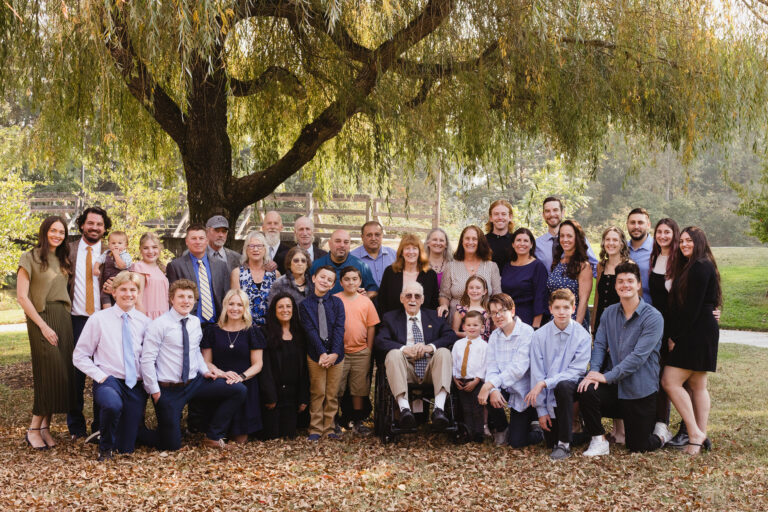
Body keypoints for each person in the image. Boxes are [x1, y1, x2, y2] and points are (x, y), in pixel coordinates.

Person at [577, 261, 672, 456]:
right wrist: (595, 372)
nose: (625, 285)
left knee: (638, 445)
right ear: (615, 286)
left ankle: (662, 434)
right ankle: (598, 440)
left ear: (638, 285)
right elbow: (600, 346)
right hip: (614, 389)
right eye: (620, 281)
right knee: (587, 388)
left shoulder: (653, 317)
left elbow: (637, 358)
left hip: (639, 390)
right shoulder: (609, 313)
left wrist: (606, 377)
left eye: (630, 281)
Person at [140, 279, 247, 450]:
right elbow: (146, 361)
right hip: (168, 389)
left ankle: (214, 436)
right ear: (171, 299)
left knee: (237, 390)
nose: (186, 301)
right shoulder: (159, 325)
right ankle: (129, 432)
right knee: (171, 445)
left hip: (194, 383)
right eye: (181, 296)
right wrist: (155, 392)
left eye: (190, 297)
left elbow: (195, 350)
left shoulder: (194, 322)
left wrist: (205, 371)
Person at [72, 271, 150, 460]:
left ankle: (109, 434)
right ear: (114, 292)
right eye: (123, 289)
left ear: (138, 293)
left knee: (126, 448)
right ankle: (104, 448)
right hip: (109, 380)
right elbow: (79, 356)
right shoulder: (99, 319)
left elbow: (149, 357)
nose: (128, 294)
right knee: (112, 405)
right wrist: (100, 376)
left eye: (133, 290)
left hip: (134, 384)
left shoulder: (145, 322)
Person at [17, 216, 77, 450]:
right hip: (41, 317)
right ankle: (33, 428)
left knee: (61, 375)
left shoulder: (63, 259)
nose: (57, 235)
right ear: (45, 231)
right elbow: (22, 297)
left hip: (63, 317)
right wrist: (42, 325)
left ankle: (45, 428)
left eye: (61, 232)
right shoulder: (29, 257)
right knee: (47, 373)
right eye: (53, 230)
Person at [662, 226, 722, 455]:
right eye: (683, 240)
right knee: (697, 384)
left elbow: (692, 308)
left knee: (669, 381)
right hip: (704, 328)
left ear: (699, 242)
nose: (685, 244)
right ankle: (700, 435)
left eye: (690, 240)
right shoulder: (700, 264)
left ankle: (695, 432)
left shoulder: (699, 266)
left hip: (696, 331)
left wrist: (675, 337)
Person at [375, 281, 458, 430]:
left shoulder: (434, 316)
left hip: (431, 369)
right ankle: (404, 409)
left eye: (417, 296)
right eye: (408, 295)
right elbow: (380, 341)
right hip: (405, 369)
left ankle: (439, 410)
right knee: (393, 353)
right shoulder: (391, 317)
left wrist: (429, 347)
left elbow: (450, 336)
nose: (412, 299)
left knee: (444, 352)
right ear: (401, 298)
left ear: (422, 299)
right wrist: (403, 349)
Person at [525, 289, 591, 460]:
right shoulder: (539, 336)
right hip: (547, 394)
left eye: (566, 307)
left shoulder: (582, 336)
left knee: (563, 385)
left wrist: (545, 383)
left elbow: (577, 371)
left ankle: (565, 444)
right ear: (550, 309)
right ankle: (582, 434)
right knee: (549, 441)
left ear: (573, 308)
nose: (562, 312)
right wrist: (541, 411)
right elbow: (537, 372)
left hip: (572, 388)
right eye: (557, 307)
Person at [200, 289, 266, 443]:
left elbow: (258, 364)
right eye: (231, 304)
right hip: (220, 382)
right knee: (218, 437)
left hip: (245, 384)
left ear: (245, 308)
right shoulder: (212, 331)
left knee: (239, 441)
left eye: (239, 304)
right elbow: (206, 361)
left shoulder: (252, 331)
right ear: (225, 306)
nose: (235, 308)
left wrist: (240, 378)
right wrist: (222, 373)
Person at [67, 206, 110, 441]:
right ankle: (75, 426)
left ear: (105, 228)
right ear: (82, 224)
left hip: (103, 320)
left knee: (102, 371)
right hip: (76, 319)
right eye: (90, 223)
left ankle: (99, 425)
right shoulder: (69, 250)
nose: (95, 227)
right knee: (75, 375)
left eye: (99, 224)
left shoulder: (111, 251)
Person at [477, 294, 539, 447]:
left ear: (512, 311)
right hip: (503, 386)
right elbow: (491, 367)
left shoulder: (527, 332)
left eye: (501, 311)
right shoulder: (494, 336)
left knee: (517, 442)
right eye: (493, 313)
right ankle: (502, 428)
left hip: (523, 392)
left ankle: (536, 425)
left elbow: (518, 369)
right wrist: (493, 389)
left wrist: (490, 385)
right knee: (488, 391)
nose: (497, 316)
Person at [648, 218, 686, 447]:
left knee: (681, 379)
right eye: (659, 232)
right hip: (658, 327)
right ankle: (661, 424)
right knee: (661, 376)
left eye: (667, 232)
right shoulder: (655, 258)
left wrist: (675, 335)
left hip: (676, 328)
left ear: (675, 234)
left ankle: (688, 428)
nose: (663, 235)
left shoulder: (680, 260)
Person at [299, 266, 346, 440]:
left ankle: (329, 428)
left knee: (332, 393)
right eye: (322, 277)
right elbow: (309, 330)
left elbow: (340, 329)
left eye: (329, 279)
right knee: (318, 391)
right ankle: (315, 428)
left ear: (333, 285)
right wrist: (321, 353)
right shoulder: (305, 305)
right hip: (315, 355)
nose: (324, 281)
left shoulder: (337, 303)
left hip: (337, 356)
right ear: (313, 279)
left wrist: (333, 353)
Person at [335, 267, 380, 434]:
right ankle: (334, 419)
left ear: (360, 282)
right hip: (339, 352)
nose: (351, 282)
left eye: (354, 279)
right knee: (337, 387)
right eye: (347, 279)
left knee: (359, 388)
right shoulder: (335, 299)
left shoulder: (366, 301)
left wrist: (369, 348)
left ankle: (358, 420)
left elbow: (371, 327)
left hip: (361, 351)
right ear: (340, 282)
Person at [259, 294, 310, 439]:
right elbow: (265, 369)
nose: (285, 310)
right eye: (280, 307)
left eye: (288, 306)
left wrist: (303, 398)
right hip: (273, 395)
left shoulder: (300, 333)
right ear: (274, 310)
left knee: (290, 435)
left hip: (293, 396)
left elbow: (305, 370)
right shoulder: (265, 332)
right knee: (272, 435)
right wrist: (270, 396)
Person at [166, 223, 229, 327]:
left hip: (217, 324)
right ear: (187, 241)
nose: (198, 242)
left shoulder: (220, 265)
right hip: (188, 324)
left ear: (207, 241)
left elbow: (225, 295)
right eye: (193, 238)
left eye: (201, 238)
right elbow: (172, 299)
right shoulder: (175, 266)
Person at [438, 225, 501, 319]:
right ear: (462, 241)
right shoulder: (451, 266)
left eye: (474, 239)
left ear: (480, 242)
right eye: (467, 238)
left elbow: (497, 296)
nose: (470, 242)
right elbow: (444, 295)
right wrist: (444, 305)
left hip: (483, 322)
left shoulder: (491, 267)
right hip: (456, 321)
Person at [546, 219, 593, 329]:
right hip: (554, 321)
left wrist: (576, 328)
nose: (565, 239)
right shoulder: (557, 262)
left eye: (569, 236)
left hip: (574, 322)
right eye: (562, 236)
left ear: (577, 238)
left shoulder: (583, 266)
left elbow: (583, 301)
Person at [534, 196, 598, 276]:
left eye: (555, 210)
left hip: (574, 287)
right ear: (543, 215)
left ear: (563, 212)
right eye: (547, 211)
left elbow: (595, 267)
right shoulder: (537, 244)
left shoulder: (577, 239)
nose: (552, 214)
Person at [377, 233, 439, 315]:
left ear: (419, 252)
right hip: (393, 323)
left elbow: (433, 305)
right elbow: (382, 302)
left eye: (414, 248)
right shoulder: (390, 272)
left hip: (421, 323)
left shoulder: (430, 275)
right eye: (407, 248)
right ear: (402, 252)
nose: (411, 252)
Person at [500, 227, 548, 328]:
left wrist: (536, 325)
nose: (522, 243)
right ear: (513, 244)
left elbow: (540, 297)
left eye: (526, 241)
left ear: (531, 245)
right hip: (507, 318)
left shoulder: (537, 266)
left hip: (528, 319)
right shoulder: (507, 266)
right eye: (518, 240)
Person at [451, 311, 488, 443]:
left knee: (477, 408)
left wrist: (477, 379)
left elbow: (485, 364)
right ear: (463, 327)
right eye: (469, 325)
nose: (472, 328)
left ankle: (478, 433)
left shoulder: (484, 346)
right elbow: (453, 362)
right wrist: (455, 377)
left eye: (475, 325)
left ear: (482, 328)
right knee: (465, 408)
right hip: (461, 380)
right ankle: (467, 432)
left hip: (476, 381)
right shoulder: (458, 345)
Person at [310, 229, 378, 297]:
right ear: (330, 243)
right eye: (338, 241)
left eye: (346, 242)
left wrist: (363, 297)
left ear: (349, 245)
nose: (342, 245)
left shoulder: (361, 266)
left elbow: (373, 290)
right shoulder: (316, 265)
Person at [232, 231, 279, 326]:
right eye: (251, 246)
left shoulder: (275, 274)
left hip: (270, 329)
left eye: (259, 246)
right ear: (246, 249)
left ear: (265, 249)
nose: (255, 249)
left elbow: (278, 304)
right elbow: (235, 305)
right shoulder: (237, 273)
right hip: (245, 328)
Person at [591, 227, 631, 336]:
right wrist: (593, 325)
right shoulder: (601, 266)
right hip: (601, 325)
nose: (611, 243)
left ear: (622, 244)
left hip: (621, 328)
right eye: (607, 239)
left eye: (615, 240)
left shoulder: (630, 266)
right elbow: (597, 298)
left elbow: (635, 302)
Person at [132, 232, 170, 320]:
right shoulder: (139, 267)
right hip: (148, 317)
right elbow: (137, 301)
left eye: (154, 247)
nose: (150, 251)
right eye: (146, 248)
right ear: (140, 250)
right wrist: (145, 322)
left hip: (164, 316)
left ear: (160, 248)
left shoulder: (160, 269)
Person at [350, 221, 397, 287]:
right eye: (369, 235)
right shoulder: (352, 258)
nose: (373, 238)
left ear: (382, 236)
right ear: (362, 237)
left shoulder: (394, 255)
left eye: (377, 235)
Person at [93, 231, 132, 309]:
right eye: (113, 243)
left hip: (120, 284)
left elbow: (122, 266)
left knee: (119, 300)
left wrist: (116, 255)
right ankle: (107, 312)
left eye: (119, 243)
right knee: (104, 296)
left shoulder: (126, 256)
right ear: (109, 244)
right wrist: (96, 268)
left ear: (125, 245)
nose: (116, 245)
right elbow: (99, 260)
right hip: (107, 283)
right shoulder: (107, 253)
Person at [626, 208, 654, 303]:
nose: (636, 226)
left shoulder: (657, 249)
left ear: (648, 225)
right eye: (632, 222)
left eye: (640, 222)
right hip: (623, 311)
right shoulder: (621, 249)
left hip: (651, 310)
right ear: (627, 225)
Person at [451, 275, 492, 341]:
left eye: (478, 288)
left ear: (484, 291)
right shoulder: (461, 311)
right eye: (471, 288)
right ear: (467, 291)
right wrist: (466, 334)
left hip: (485, 347)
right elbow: (453, 332)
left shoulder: (489, 311)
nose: (474, 291)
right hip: (467, 345)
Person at [485, 199, 515, 273]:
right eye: (496, 214)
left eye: (504, 214)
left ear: (510, 217)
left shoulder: (517, 240)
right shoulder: (483, 241)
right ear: (491, 218)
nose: (500, 217)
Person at [262, 210, 292, 275]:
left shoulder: (290, 253)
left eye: (276, 223)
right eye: (269, 223)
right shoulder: (254, 251)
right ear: (263, 228)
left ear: (281, 228)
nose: (272, 227)